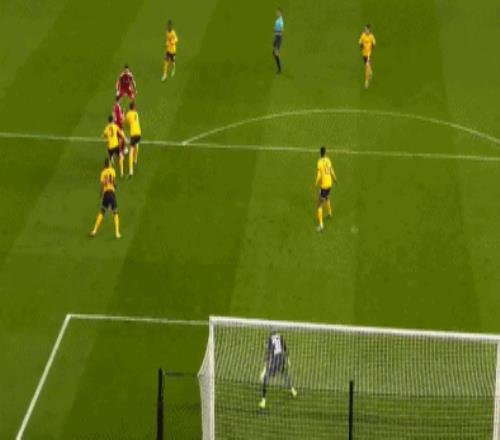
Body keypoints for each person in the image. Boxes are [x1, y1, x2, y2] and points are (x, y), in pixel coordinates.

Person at [259, 331, 297, 409]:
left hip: (275, 362)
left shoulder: (270, 339)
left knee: (265, 378)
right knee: (284, 373)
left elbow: (268, 356)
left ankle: (263, 401)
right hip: (282, 359)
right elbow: (285, 348)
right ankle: (293, 390)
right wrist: (288, 359)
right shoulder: (280, 336)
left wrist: (264, 370)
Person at [90, 158, 121, 239]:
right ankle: (117, 233)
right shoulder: (113, 171)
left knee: (102, 211)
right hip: (112, 193)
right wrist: (116, 186)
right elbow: (114, 182)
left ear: (104, 165)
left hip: (106, 194)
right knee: (115, 212)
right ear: (109, 164)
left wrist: (101, 196)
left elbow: (102, 186)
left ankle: (94, 230)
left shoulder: (103, 173)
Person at [316, 146, 337, 232]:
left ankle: (321, 226)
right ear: (325, 153)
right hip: (330, 184)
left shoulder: (319, 162)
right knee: (327, 197)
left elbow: (319, 175)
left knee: (319, 205)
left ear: (320, 153)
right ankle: (329, 213)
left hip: (324, 186)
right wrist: (335, 179)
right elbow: (331, 170)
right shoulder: (328, 160)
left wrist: (315, 183)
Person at [125, 102, 142, 177]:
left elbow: (125, 122)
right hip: (139, 133)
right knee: (137, 145)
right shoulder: (136, 113)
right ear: (134, 107)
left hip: (133, 134)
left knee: (131, 152)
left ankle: (131, 172)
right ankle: (135, 160)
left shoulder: (128, 114)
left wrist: (123, 114)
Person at [359, 25, 376, 89]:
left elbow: (374, 43)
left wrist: (372, 47)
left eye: (367, 30)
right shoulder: (363, 35)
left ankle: (366, 81)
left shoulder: (371, 36)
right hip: (364, 54)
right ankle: (370, 72)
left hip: (369, 54)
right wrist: (361, 45)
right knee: (367, 66)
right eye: (365, 29)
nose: (365, 31)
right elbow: (360, 41)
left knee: (367, 65)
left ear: (369, 30)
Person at [273, 8, 284, 74]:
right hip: (276, 37)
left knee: (276, 53)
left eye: (278, 12)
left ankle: (279, 69)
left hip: (278, 38)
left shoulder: (280, 21)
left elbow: (282, 30)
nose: (276, 13)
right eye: (276, 12)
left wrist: (276, 31)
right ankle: (279, 67)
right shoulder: (277, 20)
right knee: (274, 52)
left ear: (281, 13)